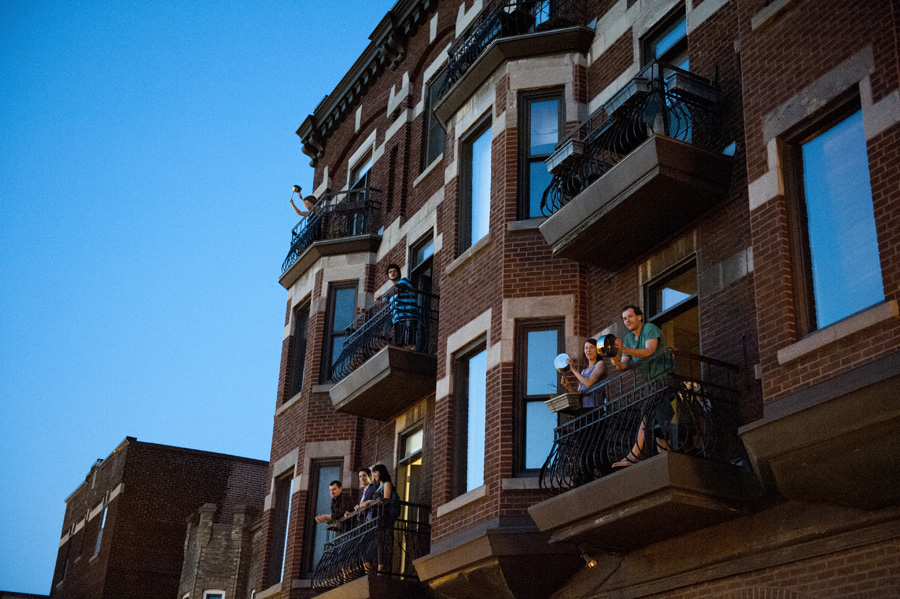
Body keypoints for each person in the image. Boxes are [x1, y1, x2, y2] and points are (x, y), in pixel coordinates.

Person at [610, 305, 675, 468]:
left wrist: (624, 349)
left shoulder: (649, 328)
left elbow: (649, 351)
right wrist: (617, 363)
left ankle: (635, 455)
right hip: (652, 382)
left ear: (639, 317)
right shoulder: (628, 339)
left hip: (667, 377)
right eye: (624, 319)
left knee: (649, 413)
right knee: (656, 417)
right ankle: (662, 455)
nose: (627, 321)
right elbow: (624, 365)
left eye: (630, 316)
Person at [359, 463, 396, 574]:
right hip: (375, 519)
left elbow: (386, 500)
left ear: (381, 472)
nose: (374, 474)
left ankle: (381, 571)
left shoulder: (386, 484)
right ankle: (370, 572)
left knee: (380, 544)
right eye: (373, 472)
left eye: (375, 472)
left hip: (383, 519)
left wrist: (370, 502)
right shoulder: (378, 486)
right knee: (370, 548)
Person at [560, 338, 607, 408]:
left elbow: (589, 383)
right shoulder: (583, 372)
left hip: (596, 408)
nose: (588, 350)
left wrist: (573, 369)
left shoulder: (600, 364)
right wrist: (568, 386)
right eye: (586, 348)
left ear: (597, 350)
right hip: (584, 410)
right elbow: (578, 395)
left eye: (592, 347)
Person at [382, 264, 419, 349]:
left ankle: (411, 357)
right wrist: (366, 309)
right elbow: (382, 302)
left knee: (409, 343)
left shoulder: (405, 281)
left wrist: (381, 296)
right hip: (397, 320)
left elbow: (397, 289)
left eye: (394, 271)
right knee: (400, 345)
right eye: (390, 272)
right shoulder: (390, 293)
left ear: (398, 273)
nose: (392, 273)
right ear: (388, 276)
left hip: (408, 316)